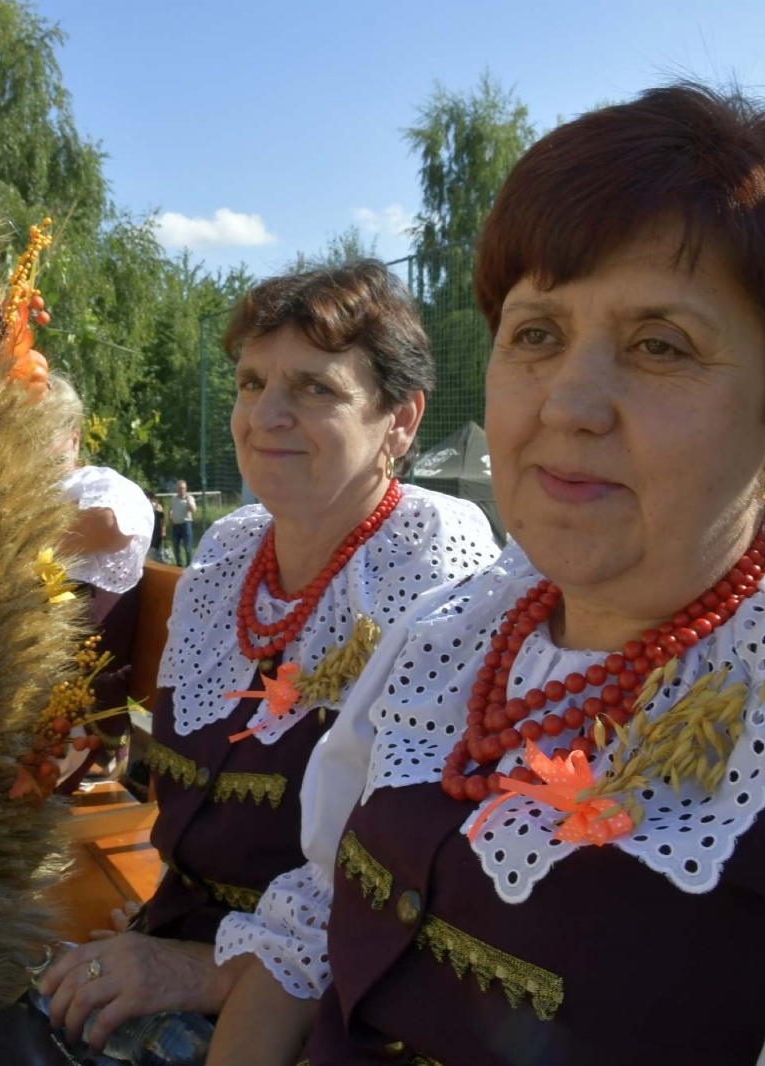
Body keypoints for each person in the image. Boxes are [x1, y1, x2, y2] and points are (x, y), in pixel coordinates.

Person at [208, 85, 765, 1065]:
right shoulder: (447, 635)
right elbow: (312, 917)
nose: (571, 403)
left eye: (659, 346)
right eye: (537, 334)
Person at [37, 260, 500, 1052]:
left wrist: (196, 970)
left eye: (315, 388)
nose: (265, 415)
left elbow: (392, 869)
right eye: (252, 383)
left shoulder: (433, 555)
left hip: (338, 1000)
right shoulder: (230, 548)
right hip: (180, 941)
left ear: (401, 421)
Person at [43, 372, 156, 787]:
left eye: (43, 432)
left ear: (73, 438)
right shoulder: (10, 494)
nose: (30, 445)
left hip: (70, 728)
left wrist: (7, 534)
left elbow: (112, 524)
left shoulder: (95, 484)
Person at [168, 479, 197, 566]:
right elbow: (170, 510)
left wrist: (188, 502)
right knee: (176, 548)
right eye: (180, 488)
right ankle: (179, 566)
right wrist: (170, 519)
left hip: (186, 524)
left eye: (183, 488)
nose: (182, 490)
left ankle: (189, 566)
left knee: (187, 548)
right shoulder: (174, 498)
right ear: (177, 489)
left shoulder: (189, 498)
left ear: (186, 488)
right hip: (176, 525)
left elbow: (193, 510)